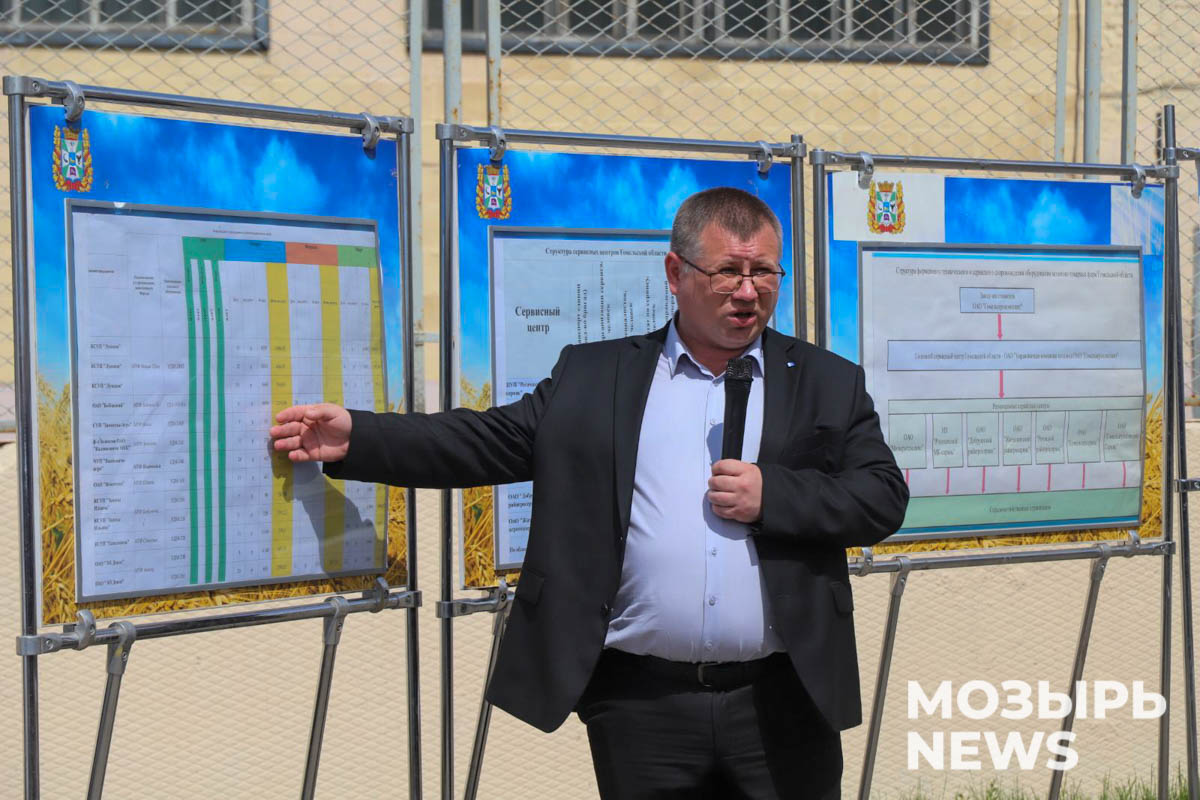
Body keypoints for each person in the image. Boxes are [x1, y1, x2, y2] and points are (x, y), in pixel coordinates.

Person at [270, 187, 909, 799]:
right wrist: (358, 437)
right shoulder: (596, 375)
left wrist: (777, 497)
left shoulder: (826, 381)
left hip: (783, 703)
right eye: (728, 272)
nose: (749, 292)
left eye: (764, 272)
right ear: (676, 272)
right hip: (640, 706)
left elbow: (881, 496)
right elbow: (484, 441)